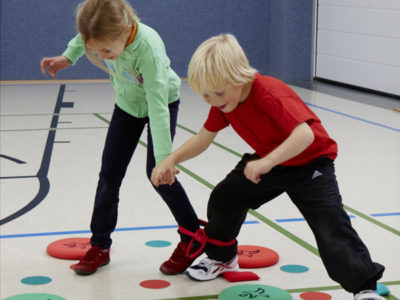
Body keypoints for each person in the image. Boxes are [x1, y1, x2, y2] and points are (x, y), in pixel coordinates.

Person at [151, 34, 385, 300]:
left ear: (240, 77)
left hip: (310, 164)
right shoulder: (224, 103)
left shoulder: (271, 93)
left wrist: (267, 162)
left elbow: (304, 135)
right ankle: (223, 258)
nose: (214, 100)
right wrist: (170, 159)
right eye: (205, 95)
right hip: (269, 160)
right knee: (225, 198)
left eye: (218, 92)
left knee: (329, 223)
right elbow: (203, 138)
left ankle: (364, 286)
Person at [40, 0, 201, 276]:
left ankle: (192, 237)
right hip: (127, 106)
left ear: (125, 31)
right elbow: (84, 37)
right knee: (109, 176)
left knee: (158, 174)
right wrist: (68, 57)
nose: (102, 56)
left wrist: (164, 160)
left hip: (160, 102)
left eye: (106, 50)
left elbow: (158, 104)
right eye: (96, 50)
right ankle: (100, 245)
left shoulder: (148, 48)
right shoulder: (101, 33)